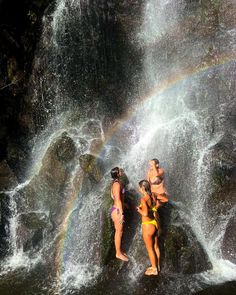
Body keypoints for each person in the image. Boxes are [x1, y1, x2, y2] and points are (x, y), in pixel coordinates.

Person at [137, 180, 160, 275]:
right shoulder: (153, 195)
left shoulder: (144, 199)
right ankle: (157, 266)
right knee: (156, 246)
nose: (138, 189)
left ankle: (154, 269)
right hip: (154, 223)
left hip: (147, 225)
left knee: (150, 249)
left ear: (142, 188)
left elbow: (145, 213)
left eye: (139, 187)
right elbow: (155, 207)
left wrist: (139, 209)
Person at [110, 167, 129, 261]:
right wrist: (121, 213)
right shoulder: (117, 184)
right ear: (117, 174)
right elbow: (117, 199)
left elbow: (117, 197)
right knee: (119, 232)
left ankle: (119, 251)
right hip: (117, 211)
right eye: (120, 171)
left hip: (116, 209)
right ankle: (118, 253)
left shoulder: (115, 183)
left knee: (119, 231)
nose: (122, 171)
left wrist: (124, 203)